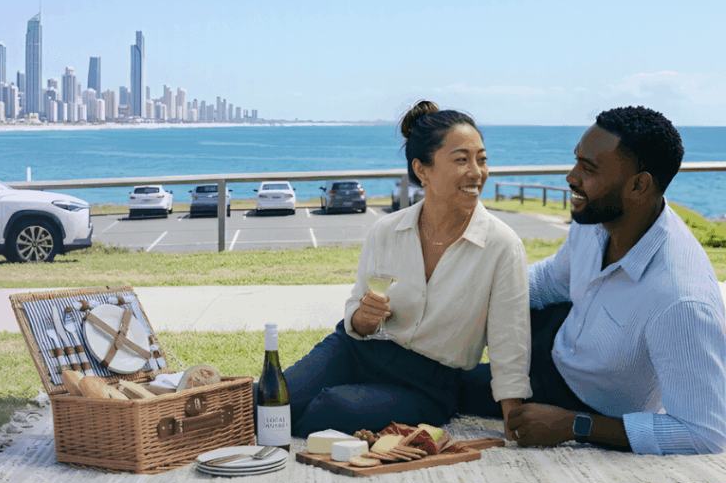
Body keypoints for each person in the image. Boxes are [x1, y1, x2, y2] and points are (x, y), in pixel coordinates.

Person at [458, 106, 726, 455]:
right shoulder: (601, 220)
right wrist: (472, 296)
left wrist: (574, 425)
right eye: (576, 162)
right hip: (555, 338)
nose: (570, 177)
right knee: (440, 338)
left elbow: (703, 433)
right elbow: (552, 279)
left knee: (439, 384)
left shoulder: (681, 300)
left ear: (639, 185)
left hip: (582, 402)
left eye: (588, 169)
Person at [280, 100, 532, 438]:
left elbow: (509, 344)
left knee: (330, 407)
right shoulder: (386, 231)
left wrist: (515, 422)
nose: (476, 172)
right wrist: (363, 318)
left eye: (481, 159)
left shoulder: (502, 246)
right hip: (355, 351)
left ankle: (280, 427)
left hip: (429, 386)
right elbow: (356, 313)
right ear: (422, 170)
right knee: (273, 399)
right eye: (461, 160)